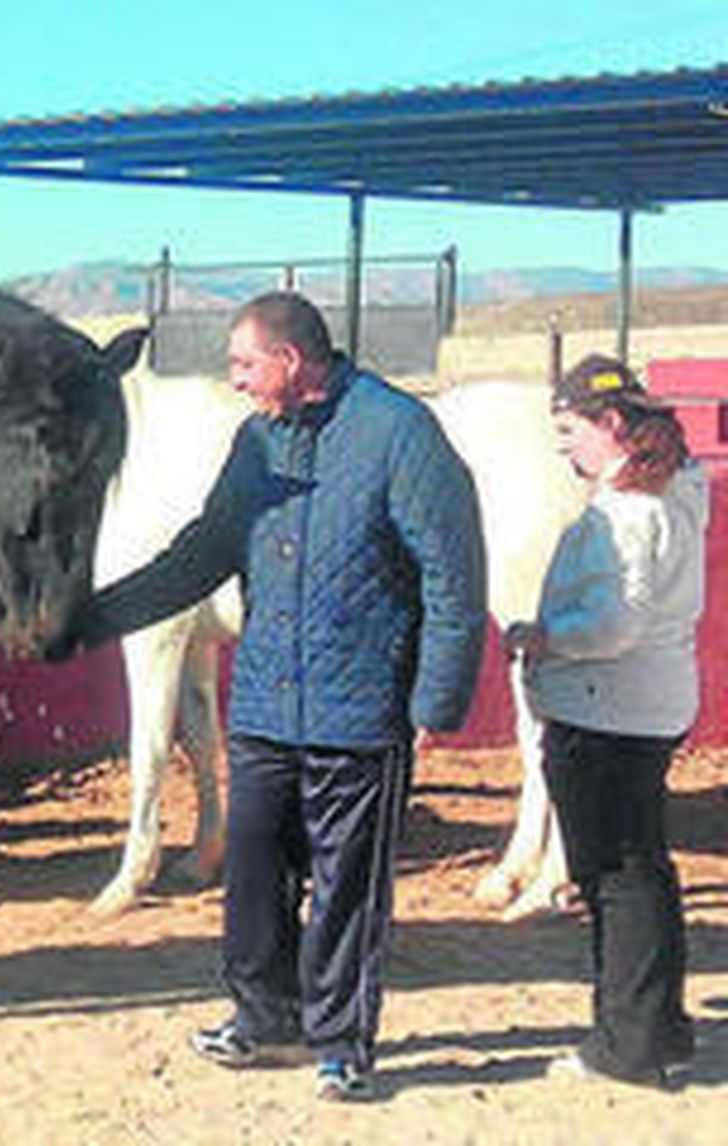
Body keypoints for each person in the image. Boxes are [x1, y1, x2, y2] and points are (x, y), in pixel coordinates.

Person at [80, 291, 487, 1101]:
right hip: (268, 701)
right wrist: (100, 615)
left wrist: (437, 699)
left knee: (346, 887)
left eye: (243, 365)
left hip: (360, 708)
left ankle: (339, 1041)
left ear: (290, 361)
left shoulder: (399, 433)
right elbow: (204, 551)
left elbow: (453, 570)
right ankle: (264, 1018)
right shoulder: (256, 440)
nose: (234, 381)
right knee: (256, 869)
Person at [501, 353, 704, 1090]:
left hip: (606, 709)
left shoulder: (627, 512)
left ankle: (629, 1043)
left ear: (611, 424)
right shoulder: (678, 491)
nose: (564, 445)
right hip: (650, 703)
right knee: (643, 868)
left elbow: (614, 623)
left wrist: (540, 637)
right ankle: (660, 1028)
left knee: (613, 876)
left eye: (570, 428)